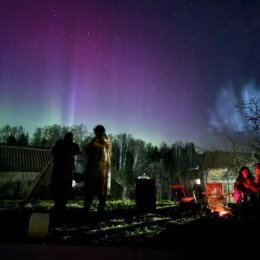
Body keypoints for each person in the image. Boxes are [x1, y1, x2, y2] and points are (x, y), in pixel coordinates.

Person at [50, 132, 80, 225]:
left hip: (57, 174)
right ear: (71, 138)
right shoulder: (73, 146)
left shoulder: (58, 144)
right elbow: (78, 151)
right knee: (63, 194)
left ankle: (57, 211)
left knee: (57, 193)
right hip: (66, 174)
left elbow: (53, 151)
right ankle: (61, 213)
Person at [84, 125, 112, 217]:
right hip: (105, 171)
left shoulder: (96, 141)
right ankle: (101, 212)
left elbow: (89, 151)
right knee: (102, 193)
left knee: (90, 192)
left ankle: (86, 212)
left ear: (98, 132)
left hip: (95, 170)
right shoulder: (108, 141)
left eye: (95, 132)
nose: (94, 133)